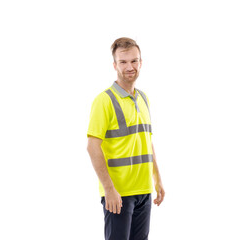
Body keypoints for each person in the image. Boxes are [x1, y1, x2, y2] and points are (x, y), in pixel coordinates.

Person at [87, 37, 165, 240]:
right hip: (118, 194)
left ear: (141, 62)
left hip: (143, 191)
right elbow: (92, 147)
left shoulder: (143, 98)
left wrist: (157, 179)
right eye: (123, 62)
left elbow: (147, 142)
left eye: (134, 61)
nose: (130, 66)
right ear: (114, 65)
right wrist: (109, 189)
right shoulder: (104, 101)